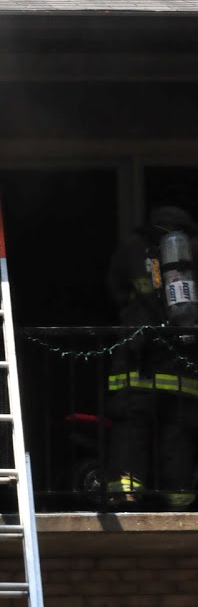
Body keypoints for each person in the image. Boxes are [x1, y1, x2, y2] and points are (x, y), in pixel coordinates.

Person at [105, 205, 198, 508]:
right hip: (181, 360)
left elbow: (115, 289)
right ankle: (180, 496)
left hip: (137, 356)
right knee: (179, 432)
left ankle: (126, 489)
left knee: (131, 426)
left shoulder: (132, 247)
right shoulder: (192, 250)